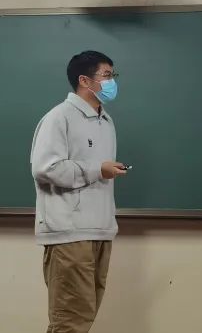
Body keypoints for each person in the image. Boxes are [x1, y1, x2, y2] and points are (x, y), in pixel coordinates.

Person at [30, 50, 127, 333]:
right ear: (84, 80)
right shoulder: (59, 117)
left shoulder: (106, 120)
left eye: (113, 75)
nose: (112, 81)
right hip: (69, 233)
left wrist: (102, 170)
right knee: (70, 321)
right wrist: (98, 169)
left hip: (100, 230)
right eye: (106, 75)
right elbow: (45, 168)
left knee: (84, 317)